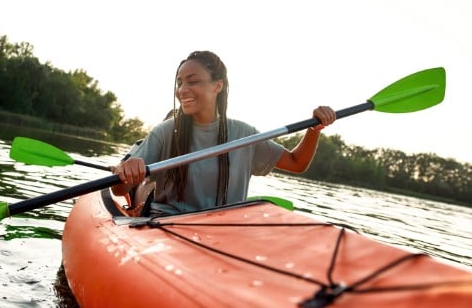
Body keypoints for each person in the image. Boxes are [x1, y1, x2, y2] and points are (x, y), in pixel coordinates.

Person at [111, 50, 336, 216]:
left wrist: (314, 129)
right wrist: (126, 172)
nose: (182, 90)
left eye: (193, 82)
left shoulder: (245, 135)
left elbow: (297, 163)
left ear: (217, 86)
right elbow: (120, 189)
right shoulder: (165, 131)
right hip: (166, 224)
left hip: (224, 229)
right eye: (179, 83)